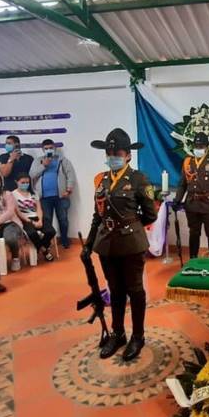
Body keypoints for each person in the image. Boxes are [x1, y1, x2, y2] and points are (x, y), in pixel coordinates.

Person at [83, 128, 158, 362]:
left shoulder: (138, 179)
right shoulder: (102, 181)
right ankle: (118, 333)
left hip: (131, 245)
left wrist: (131, 227)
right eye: (110, 152)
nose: (113, 155)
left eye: (118, 152)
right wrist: (88, 244)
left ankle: (138, 335)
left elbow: (150, 214)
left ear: (128, 155)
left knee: (135, 290)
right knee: (115, 291)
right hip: (107, 245)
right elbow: (98, 216)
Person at [172, 132, 209, 259]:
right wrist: (177, 199)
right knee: (194, 233)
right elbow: (182, 184)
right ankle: (193, 259)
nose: (198, 149)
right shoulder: (188, 162)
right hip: (192, 204)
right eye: (196, 147)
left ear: (207, 147)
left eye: (201, 146)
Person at [30, 139, 75, 249]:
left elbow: (70, 174)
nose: (49, 150)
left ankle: (64, 240)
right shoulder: (38, 161)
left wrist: (69, 189)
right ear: (42, 150)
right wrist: (44, 165)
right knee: (47, 220)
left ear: (54, 148)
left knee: (63, 219)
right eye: (46, 148)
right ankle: (47, 243)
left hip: (61, 196)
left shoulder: (62, 160)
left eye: (51, 148)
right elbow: (32, 175)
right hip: (44, 197)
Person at [12, 173, 55, 262]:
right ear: (16, 182)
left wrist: (40, 220)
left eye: (27, 182)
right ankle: (45, 251)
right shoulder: (13, 194)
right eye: (22, 182)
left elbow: (39, 208)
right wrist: (31, 222)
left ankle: (42, 247)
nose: (25, 184)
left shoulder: (34, 192)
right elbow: (18, 212)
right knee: (32, 234)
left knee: (51, 231)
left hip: (37, 217)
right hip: (25, 219)